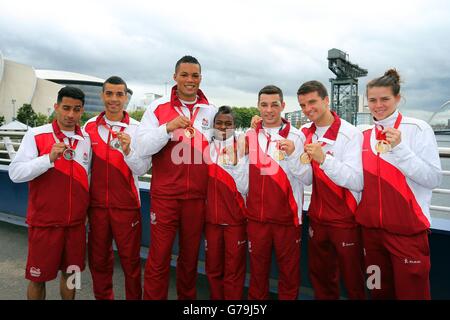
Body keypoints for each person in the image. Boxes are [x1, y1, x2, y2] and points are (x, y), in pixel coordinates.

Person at [355, 69, 442, 299]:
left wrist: (400, 148)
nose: (378, 105)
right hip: (371, 235)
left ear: (398, 98)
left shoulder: (417, 129)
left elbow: (433, 178)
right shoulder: (362, 134)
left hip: (407, 233)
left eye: (385, 99)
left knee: (412, 295)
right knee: (377, 293)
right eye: (372, 100)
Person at [135, 55, 217, 300]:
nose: (190, 80)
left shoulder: (211, 111)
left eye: (194, 75)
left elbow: (223, 148)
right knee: (158, 259)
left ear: (200, 78)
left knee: (190, 261)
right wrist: (167, 128)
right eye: (185, 75)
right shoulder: (157, 108)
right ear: (175, 77)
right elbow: (141, 147)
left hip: (198, 198)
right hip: (166, 197)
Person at [8, 86, 91, 300]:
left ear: (82, 111)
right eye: (66, 108)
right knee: (37, 278)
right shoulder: (36, 134)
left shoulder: (87, 140)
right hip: (45, 223)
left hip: (76, 225)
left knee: (72, 275)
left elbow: (88, 179)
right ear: (56, 107)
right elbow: (15, 173)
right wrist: (47, 159)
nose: (70, 114)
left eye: (76, 109)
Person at [296, 80, 366, 299]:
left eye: (312, 102)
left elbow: (357, 181)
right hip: (317, 218)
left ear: (326, 100)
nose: (308, 109)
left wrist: (324, 160)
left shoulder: (351, 134)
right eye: (303, 105)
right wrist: (291, 158)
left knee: (354, 280)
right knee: (321, 277)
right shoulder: (304, 132)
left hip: (345, 219)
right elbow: (307, 179)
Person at [84, 76, 151, 300]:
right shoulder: (89, 127)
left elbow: (142, 169)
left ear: (126, 98)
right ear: (102, 95)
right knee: (99, 261)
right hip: (97, 207)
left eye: (119, 94)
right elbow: (84, 169)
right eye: (109, 93)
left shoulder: (138, 129)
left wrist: (129, 151)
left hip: (127, 206)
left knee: (131, 262)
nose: (114, 99)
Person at [245, 85, 310, 300]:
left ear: (283, 106)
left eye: (274, 105)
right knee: (257, 275)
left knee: (289, 277)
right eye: (264, 105)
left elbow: (307, 178)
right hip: (256, 219)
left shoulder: (298, 137)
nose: (269, 110)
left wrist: (292, 155)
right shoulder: (250, 135)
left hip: (287, 220)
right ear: (258, 106)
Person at [204, 106, 248, 300]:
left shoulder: (243, 148)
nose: (223, 127)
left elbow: (245, 187)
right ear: (213, 125)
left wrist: (235, 162)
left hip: (235, 221)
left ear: (234, 126)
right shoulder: (204, 147)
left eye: (228, 123)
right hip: (211, 220)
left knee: (234, 272)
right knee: (213, 270)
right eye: (219, 123)